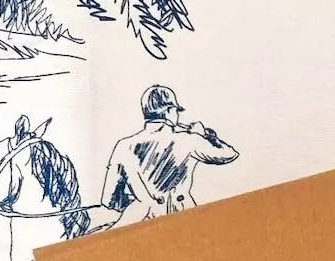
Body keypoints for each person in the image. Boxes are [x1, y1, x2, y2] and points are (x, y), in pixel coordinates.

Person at [101, 85, 238, 228]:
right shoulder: (189, 140)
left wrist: (141, 199)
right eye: (176, 111)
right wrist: (206, 136)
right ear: (168, 111)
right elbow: (229, 154)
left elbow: (110, 201)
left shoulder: (123, 146)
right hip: (186, 220)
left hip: (146, 224)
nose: (177, 115)